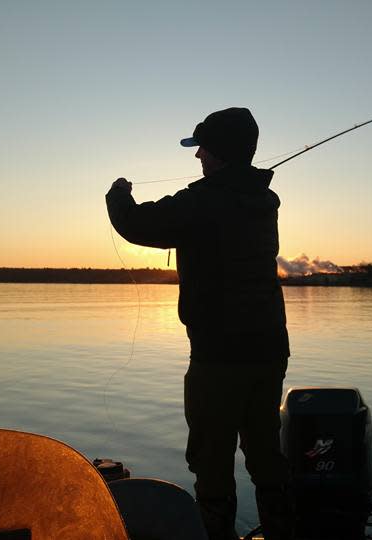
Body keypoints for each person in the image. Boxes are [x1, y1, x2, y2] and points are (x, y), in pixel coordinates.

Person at [106, 107, 293, 540]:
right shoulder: (264, 202)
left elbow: (135, 224)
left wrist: (117, 194)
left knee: (211, 460)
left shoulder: (203, 202)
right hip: (268, 351)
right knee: (266, 455)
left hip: (218, 357)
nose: (198, 157)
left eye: (203, 148)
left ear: (222, 152)